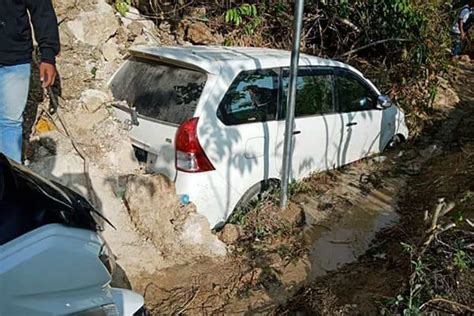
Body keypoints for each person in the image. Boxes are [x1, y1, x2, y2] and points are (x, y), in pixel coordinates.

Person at [0, 0, 60, 162]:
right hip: (15, 60)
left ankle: (10, 181)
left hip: (15, 60)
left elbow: (42, 10)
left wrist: (48, 55)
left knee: (10, 124)